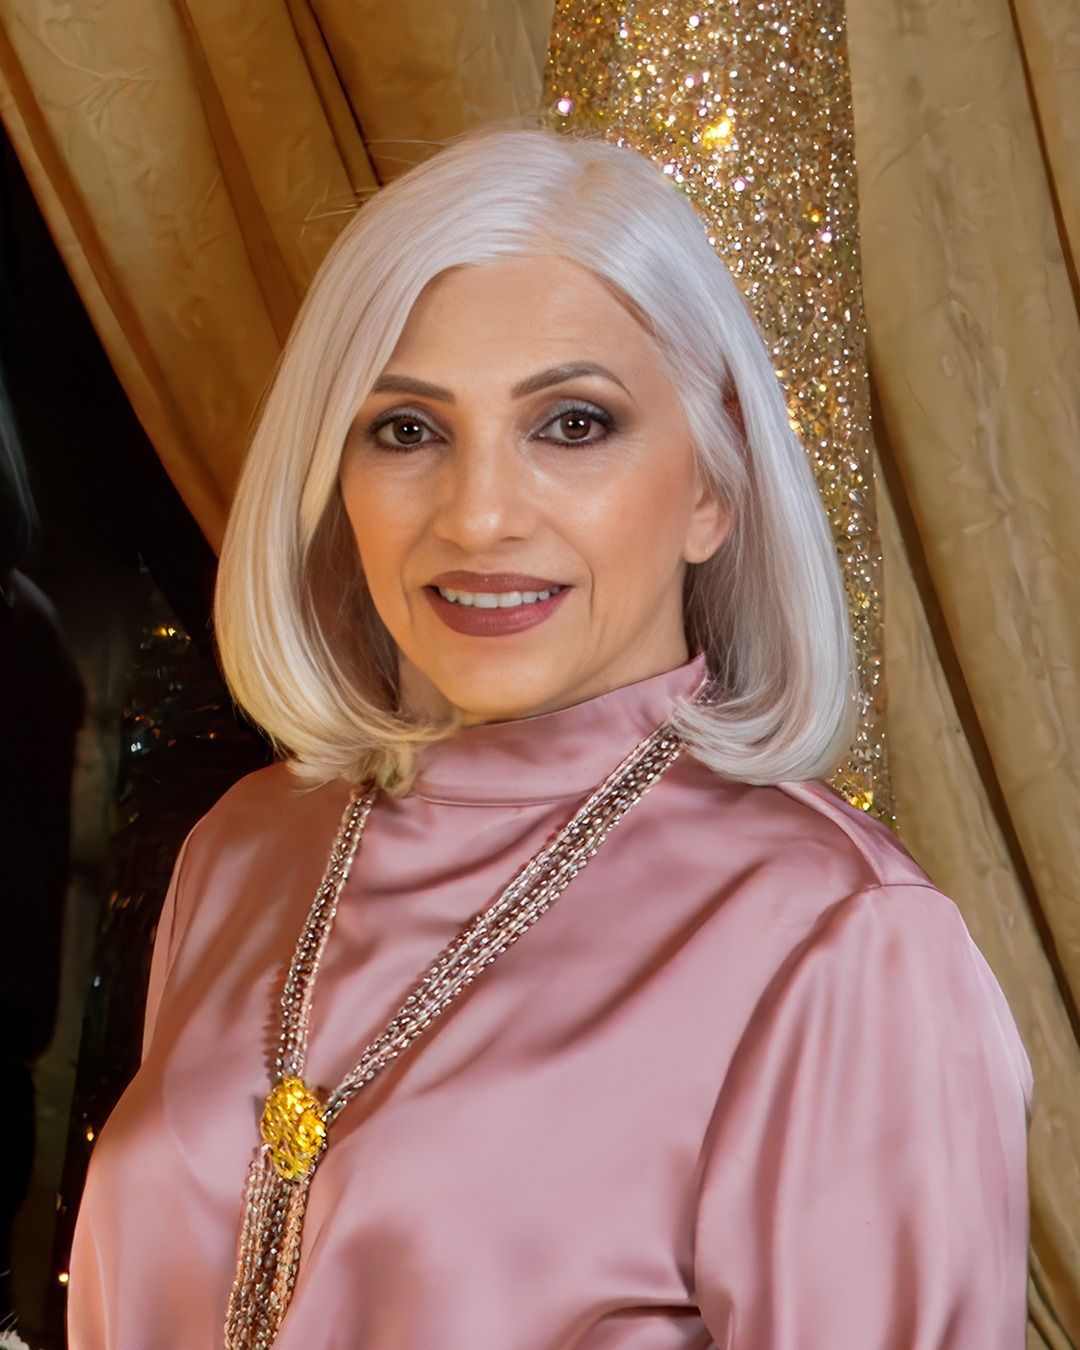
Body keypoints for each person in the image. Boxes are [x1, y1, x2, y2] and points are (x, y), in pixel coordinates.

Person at [67, 122, 1032, 1349]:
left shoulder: (845, 942)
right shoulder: (244, 850)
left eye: (573, 424)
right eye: (406, 430)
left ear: (712, 483)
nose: (478, 515)